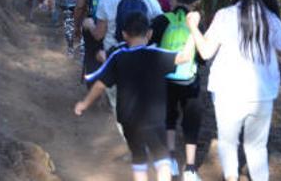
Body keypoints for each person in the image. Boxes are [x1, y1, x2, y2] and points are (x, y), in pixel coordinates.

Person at [186, 0, 281, 181]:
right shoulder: (271, 19)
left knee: (228, 144)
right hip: (261, 97)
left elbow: (206, 52)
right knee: (257, 148)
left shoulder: (225, 15)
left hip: (227, 95)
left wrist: (193, 27)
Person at [75, 12, 195, 181]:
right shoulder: (157, 54)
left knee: (139, 159)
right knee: (163, 161)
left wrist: (84, 103)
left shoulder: (118, 57)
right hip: (155, 119)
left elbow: (101, 84)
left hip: (129, 120)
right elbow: (185, 56)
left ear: (124, 34)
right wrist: (193, 30)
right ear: (149, 34)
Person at [149, 0, 204, 181]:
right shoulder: (197, 25)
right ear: (196, 2)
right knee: (191, 123)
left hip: (166, 80)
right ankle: (190, 168)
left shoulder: (161, 20)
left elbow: (152, 51)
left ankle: (171, 158)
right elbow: (203, 57)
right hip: (190, 82)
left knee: (169, 118)